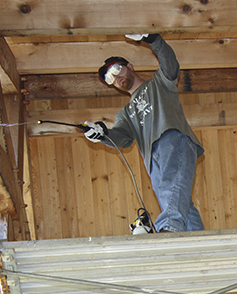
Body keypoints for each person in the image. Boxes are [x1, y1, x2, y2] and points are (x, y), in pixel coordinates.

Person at [83, 33, 204, 233]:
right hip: (152, 160)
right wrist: (102, 134)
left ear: (130, 66)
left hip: (172, 140)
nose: (115, 77)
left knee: (169, 189)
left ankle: (168, 230)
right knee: (175, 200)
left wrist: (153, 39)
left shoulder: (158, 84)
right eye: (110, 78)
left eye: (116, 69)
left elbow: (170, 65)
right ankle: (200, 243)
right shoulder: (126, 113)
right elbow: (122, 138)